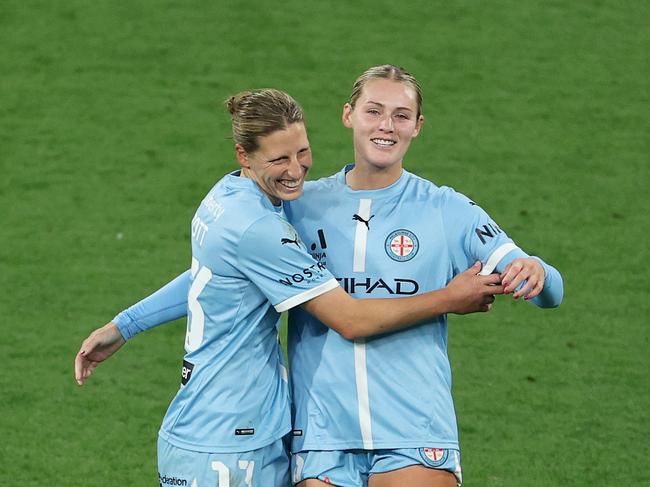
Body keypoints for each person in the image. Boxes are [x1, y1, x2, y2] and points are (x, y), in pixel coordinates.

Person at [75, 88, 506, 487]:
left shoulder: (227, 196)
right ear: (244, 155)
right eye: (280, 159)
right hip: (230, 438)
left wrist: (124, 325)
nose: (297, 169)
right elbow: (351, 320)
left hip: (213, 424)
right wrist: (451, 298)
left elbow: (210, 275)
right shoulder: (261, 226)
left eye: (303, 152)